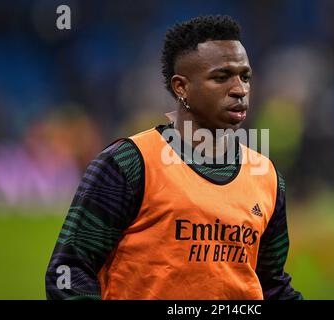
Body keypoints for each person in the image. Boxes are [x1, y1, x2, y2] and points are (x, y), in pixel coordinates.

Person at [45, 15, 302, 300]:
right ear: (181, 87)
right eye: (221, 77)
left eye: (245, 76)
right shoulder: (128, 163)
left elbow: (272, 285)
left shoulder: (266, 176)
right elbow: (67, 273)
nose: (240, 89)